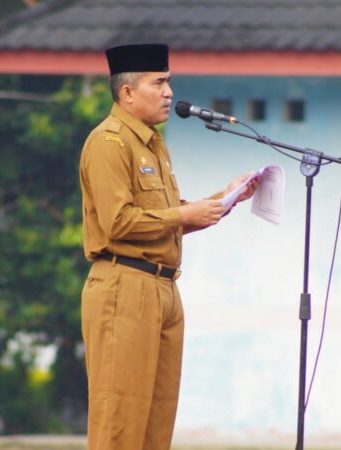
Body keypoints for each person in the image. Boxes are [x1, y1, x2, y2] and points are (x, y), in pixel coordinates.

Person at [78, 43, 257, 449]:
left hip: (162, 288)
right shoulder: (109, 143)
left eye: (168, 83)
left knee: (155, 422)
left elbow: (166, 216)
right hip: (124, 287)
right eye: (158, 83)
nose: (169, 93)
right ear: (127, 93)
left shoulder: (152, 144)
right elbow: (118, 222)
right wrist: (184, 216)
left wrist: (222, 200)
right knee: (120, 422)